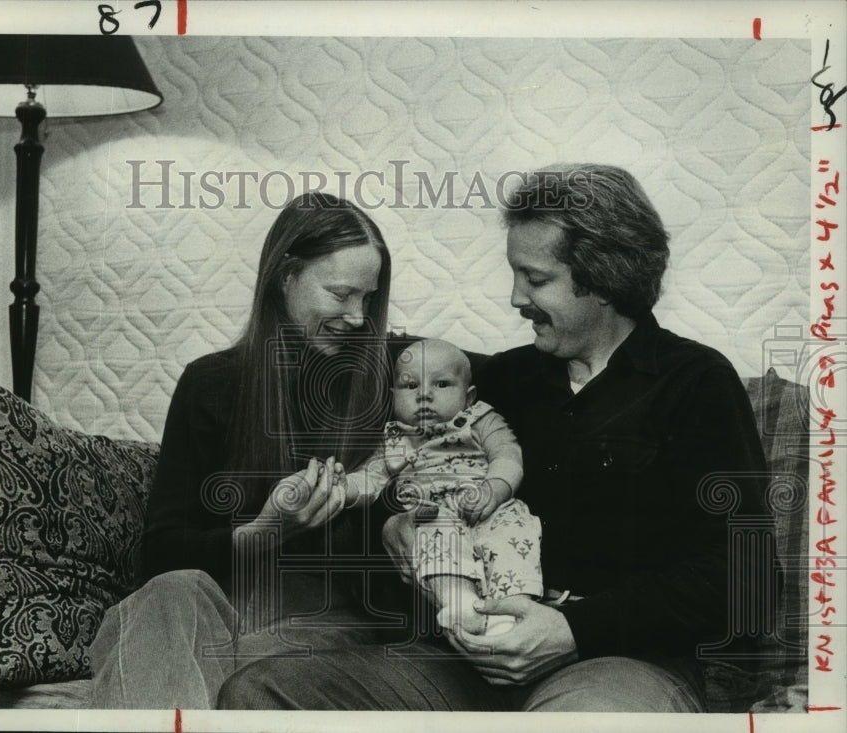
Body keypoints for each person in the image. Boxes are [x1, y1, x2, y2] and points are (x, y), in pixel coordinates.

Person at [216, 164, 772, 712]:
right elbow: (417, 454)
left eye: (535, 279)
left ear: (605, 277)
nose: (515, 298)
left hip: (617, 659)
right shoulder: (504, 379)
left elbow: (747, 576)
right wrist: (394, 524)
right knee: (262, 692)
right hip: (468, 656)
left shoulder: (695, 382)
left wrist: (574, 629)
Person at [87, 191, 398, 708]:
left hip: (327, 623)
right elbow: (161, 552)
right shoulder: (211, 383)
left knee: (175, 660)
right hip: (217, 609)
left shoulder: (397, 378)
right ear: (285, 276)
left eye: (368, 298)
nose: (358, 316)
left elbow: (499, 381)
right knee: (169, 592)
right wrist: (265, 531)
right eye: (341, 294)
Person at [338, 338, 542, 636]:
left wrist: (495, 488)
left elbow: (507, 456)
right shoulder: (394, 437)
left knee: (515, 529)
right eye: (410, 386)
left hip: (487, 504)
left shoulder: (479, 419)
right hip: (432, 512)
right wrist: (340, 489)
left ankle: (513, 610)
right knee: (431, 538)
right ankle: (461, 604)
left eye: (442, 384)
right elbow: (370, 479)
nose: (424, 395)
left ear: (469, 397)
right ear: (392, 396)